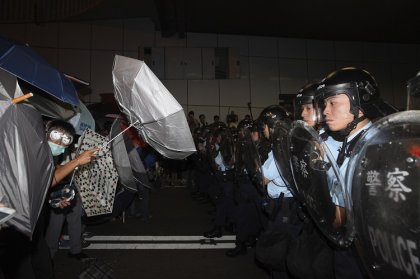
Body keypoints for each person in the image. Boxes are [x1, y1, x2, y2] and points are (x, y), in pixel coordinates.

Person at [314, 67, 398, 279]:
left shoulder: (373, 148)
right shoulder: (351, 141)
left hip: (362, 253)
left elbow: (338, 219)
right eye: (325, 104)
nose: (325, 111)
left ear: (360, 105)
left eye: (333, 103)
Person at [257, 105, 303, 278]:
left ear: (272, 126)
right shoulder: (290, 144)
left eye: (264, 127)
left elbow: (263, 178)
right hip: (290, 205)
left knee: (279, 250)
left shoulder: (280, 150)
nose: (263, 131)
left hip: (284, 207)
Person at [44, 120, 98, 262]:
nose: (62, 143)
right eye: (58, 136)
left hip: (72, 186)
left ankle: (75, 250)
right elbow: (50, 179)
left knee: (75, 220)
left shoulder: (74, 148)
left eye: (67, 138)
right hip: (54, 189)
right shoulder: (40, 153)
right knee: (55, 225)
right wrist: (76, 161)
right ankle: (49, 255)